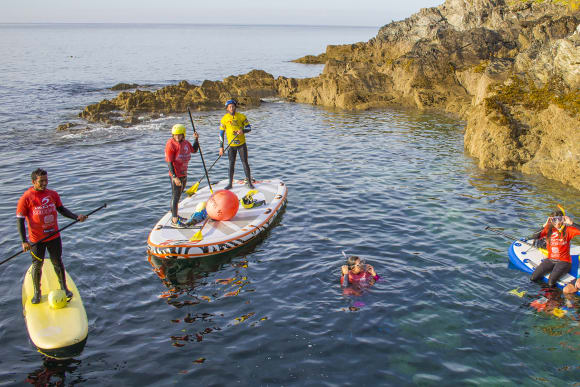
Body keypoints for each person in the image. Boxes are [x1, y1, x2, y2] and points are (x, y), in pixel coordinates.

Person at [17, 169, 87, 304]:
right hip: (37, 239)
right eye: (41, 181)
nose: (44, 183)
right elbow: (20, 220)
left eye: (46, 180)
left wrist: (75, 217)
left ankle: (64, 288)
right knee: (37, 265)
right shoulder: (26, 198)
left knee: (57, 262)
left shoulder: (52, 194)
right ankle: (37, 293)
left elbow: (61, 209)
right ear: (33, 182)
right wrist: (24, 241)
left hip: (54, 236)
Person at [530, 209, 580, 289]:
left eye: (559, 219)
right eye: (554, 219)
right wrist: (544, 225)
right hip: (550, 259)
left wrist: (572, 223)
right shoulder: (548, 230)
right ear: (551, 220)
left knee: (551, 282)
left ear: (563, 219)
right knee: (533, 278)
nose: (556, 222)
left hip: (564, 262)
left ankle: (554, 299)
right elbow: (534, 237)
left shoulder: (568, 230)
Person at [165, 124, 199, 228]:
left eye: (179, 135)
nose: (177, 137)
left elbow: (194, 150)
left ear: (183, 135)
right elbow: (169, 162)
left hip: (184, 173)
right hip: (176, 175)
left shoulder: (186, 143)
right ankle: (174, 220)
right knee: (175, 196)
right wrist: (174, 177)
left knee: (178, 195)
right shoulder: (170, 144)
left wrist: (196, 140)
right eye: (175, 135)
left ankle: (175, 215)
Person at [219, 99, 254, 190]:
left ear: (235, 107)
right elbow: (221, 133)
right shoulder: (224, 119)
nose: (231, 108)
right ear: (227, 108)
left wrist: (243, 131)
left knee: (245, 163)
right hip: (231, 146)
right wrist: (221, 147)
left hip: (242, 144)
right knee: (231, 164)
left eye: (233, 106)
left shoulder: (242, 116)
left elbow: (249, 128)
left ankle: (249, 182)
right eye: (229, 107)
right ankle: (230, 183)